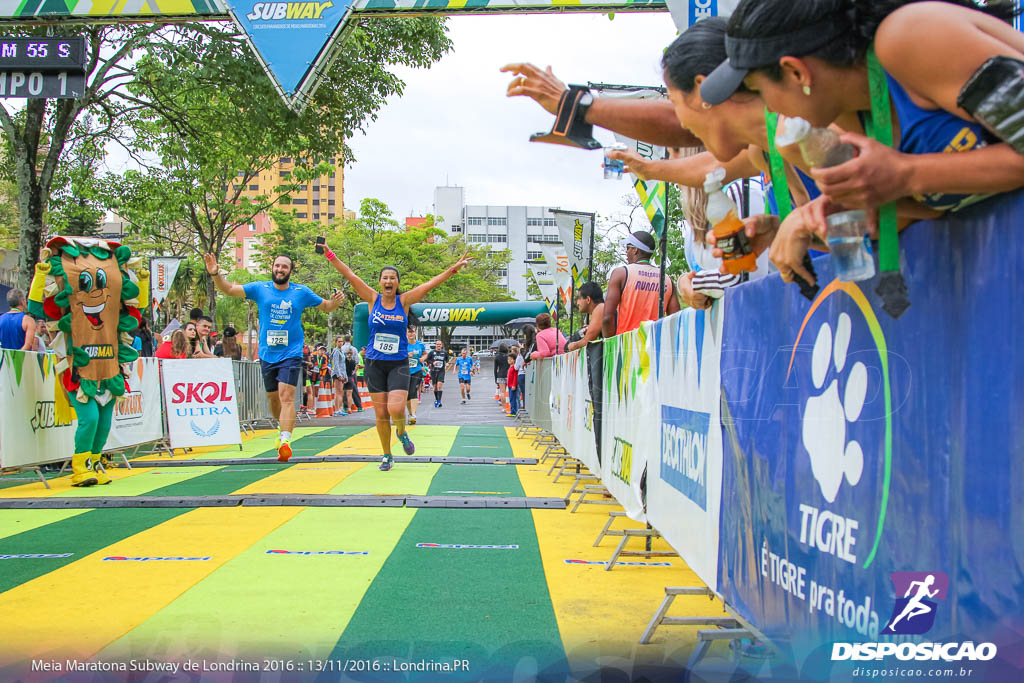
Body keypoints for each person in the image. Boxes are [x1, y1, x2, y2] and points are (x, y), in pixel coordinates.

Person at [703, 0, 1024, 285]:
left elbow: (915, 175)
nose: (769, 109)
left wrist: (907, 172)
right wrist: (804, 226)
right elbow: (931, 211)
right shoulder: (849, 114)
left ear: (796, 72)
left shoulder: (911, 37)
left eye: (759, 90)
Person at [324, 244, 472, 471]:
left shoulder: (404, 302)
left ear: (398, 283)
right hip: (374, 363)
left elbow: (430, 283)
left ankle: (401, 432)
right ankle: (387, 455)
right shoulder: (372, 299)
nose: (388, 281)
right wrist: (329, 253)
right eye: (385, 277)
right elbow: (350, 274)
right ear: (380, 282)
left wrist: (454, 268)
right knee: (381, 414)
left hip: (398, 364)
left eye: (393, 278)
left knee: (395, 408)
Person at [205, 252, 342, 461]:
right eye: (277, 266)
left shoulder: (301, 292)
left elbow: (326, 306)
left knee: (286, 396)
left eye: (284, 267)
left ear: (291, 271)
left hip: (292, 352)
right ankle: (282, 427)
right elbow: (229, 289)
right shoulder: (260, 288)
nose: (280, 270)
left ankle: (286, 441)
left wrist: (336, 301)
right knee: (274, 398)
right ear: (273, 268)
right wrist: (215, 273)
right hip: (268, 353)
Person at [602, 231, 680, 338]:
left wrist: (609, 345)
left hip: (627, 347)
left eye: (628, 248)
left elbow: (607, 317)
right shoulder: (666, 279)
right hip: (655, 346)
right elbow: (675, 321)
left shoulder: (621, 273)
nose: (626, 252)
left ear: (635, 250)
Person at [567, 282, 605, 352]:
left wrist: (572, 346)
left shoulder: (600, 308)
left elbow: (587, 341)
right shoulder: (599, 310)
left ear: (588, 299)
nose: (577, 302)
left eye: (578, 298)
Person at [405, 325, 427, 423]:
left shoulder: (420, 344)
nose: (411, 334)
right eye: (409, 332)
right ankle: (410, 414)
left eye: (413, 332)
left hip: (417, 370)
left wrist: (423, 358)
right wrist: (406, 355)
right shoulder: (403, 344)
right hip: (405, 371)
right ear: (406, 333)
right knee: (407, 394)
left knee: (413, 390)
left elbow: (425, 353)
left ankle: (413, 414)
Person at [425, 340, 450, 408]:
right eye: (437, 344)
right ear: (435, 345)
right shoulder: (432, 352)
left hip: (441, 371)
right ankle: (436, 399)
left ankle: (439, 401)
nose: (438, 345)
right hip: (433, 371)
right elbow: (427, 359)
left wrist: (447, 363)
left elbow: (447, 359)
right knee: (435, 387)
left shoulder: (444, 352)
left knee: (439, 386)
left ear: (441, 345)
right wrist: (432, 363)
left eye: (440, 344)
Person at [331, 335, 348, 416]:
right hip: (337, 374)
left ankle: (339, 409)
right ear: (335, 342)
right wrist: (339, 375)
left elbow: (343, 365)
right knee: (338, 392)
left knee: (340, 392)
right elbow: (336, 364)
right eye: (339, 341)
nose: (341, 343)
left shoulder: (341, 351)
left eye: (342, 341)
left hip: (342, 373)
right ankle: (337, 410)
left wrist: (345, 376)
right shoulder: (336, 351)